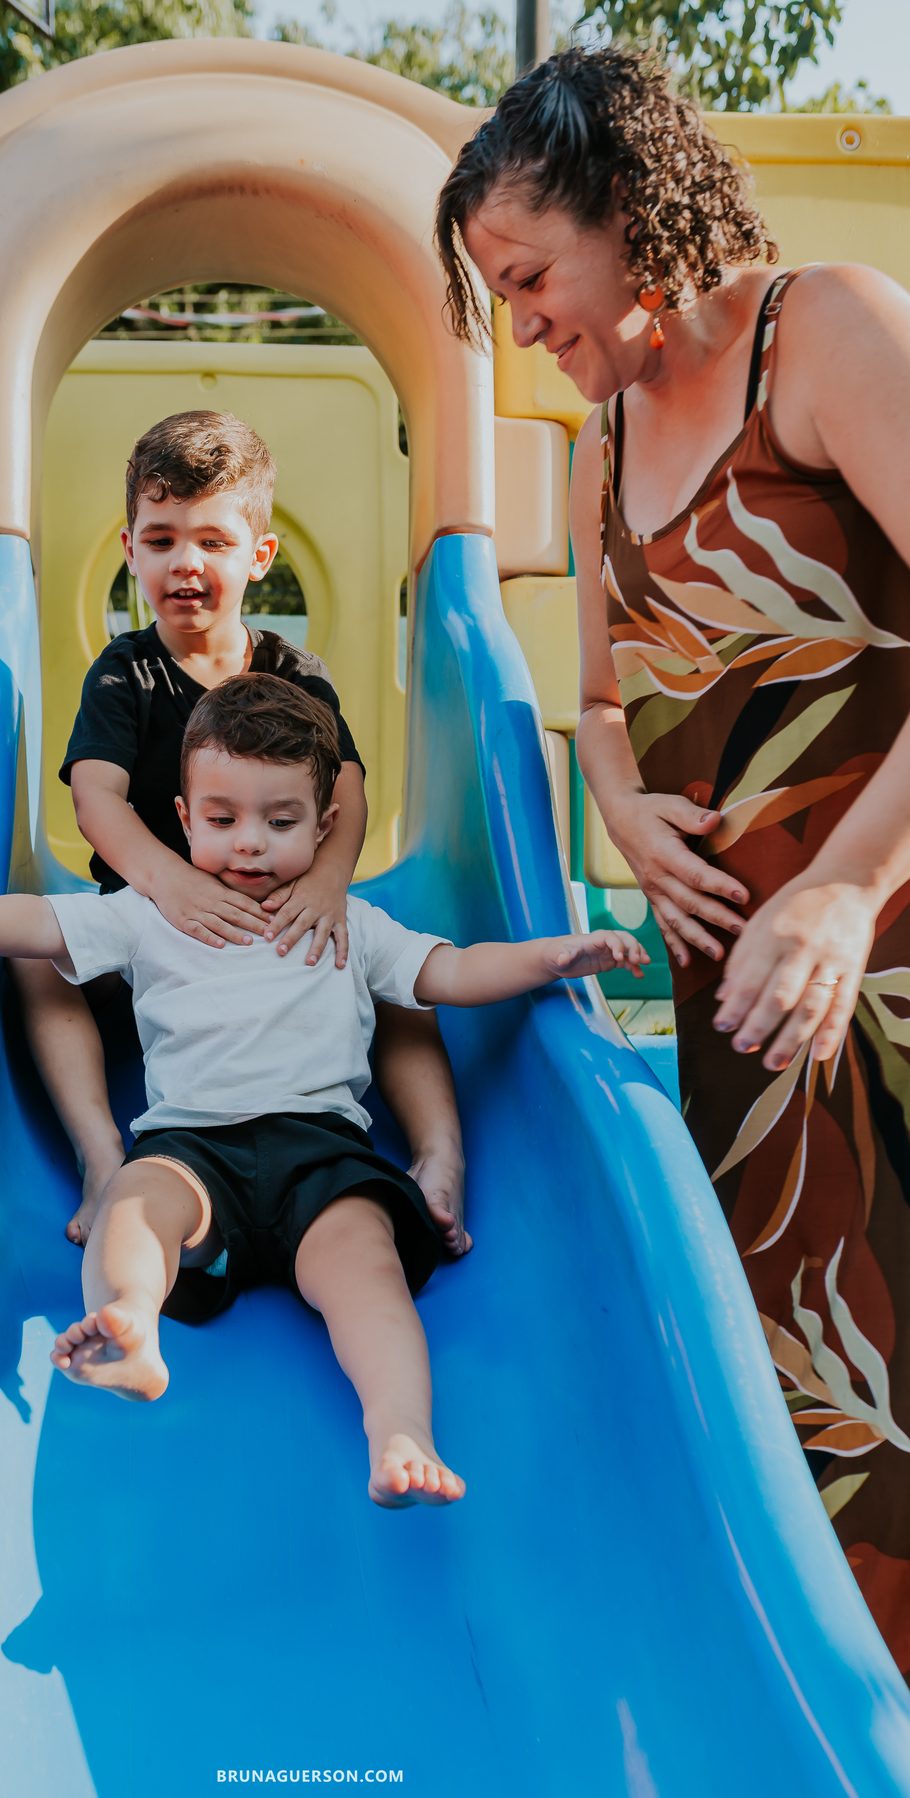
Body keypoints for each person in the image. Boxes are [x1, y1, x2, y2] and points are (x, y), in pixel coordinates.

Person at [437, 45, 910, 1665]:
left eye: (527, 277)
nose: (521, 322)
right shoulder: (598, 450)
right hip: (749, 1032)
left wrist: (848, 884)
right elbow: (593, 703)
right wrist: (625, 809)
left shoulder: (827, 331)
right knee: (806, 1419)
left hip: (886, 983)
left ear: (626, 208)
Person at [0, 675, 646, 1507]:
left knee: (367, 1269)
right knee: (133, 1205)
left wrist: (555, 957)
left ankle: (399, 1430)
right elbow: (38, 925)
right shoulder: (151, 914)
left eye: (280, 821)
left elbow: (450, 972)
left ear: (326, 826)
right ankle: (132, 1329)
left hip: (323, 1154)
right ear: (183, 819)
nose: (249, 842)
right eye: (221, 820)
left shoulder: (348, 922)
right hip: (190, 1147)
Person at [15, 410, 468, 1257]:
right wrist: (169, 882)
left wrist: (329, 883)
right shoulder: (125, 673)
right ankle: (101, 1154)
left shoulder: (294, 675)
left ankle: (438, 1155)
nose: (185, 563)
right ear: (130, 550)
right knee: (37, 960)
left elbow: (351, 791)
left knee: (399, 980)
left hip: (280, 922)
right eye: (162, 540)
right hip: (159, 926)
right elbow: (96, 797)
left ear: (258, 556)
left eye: (213, 541)